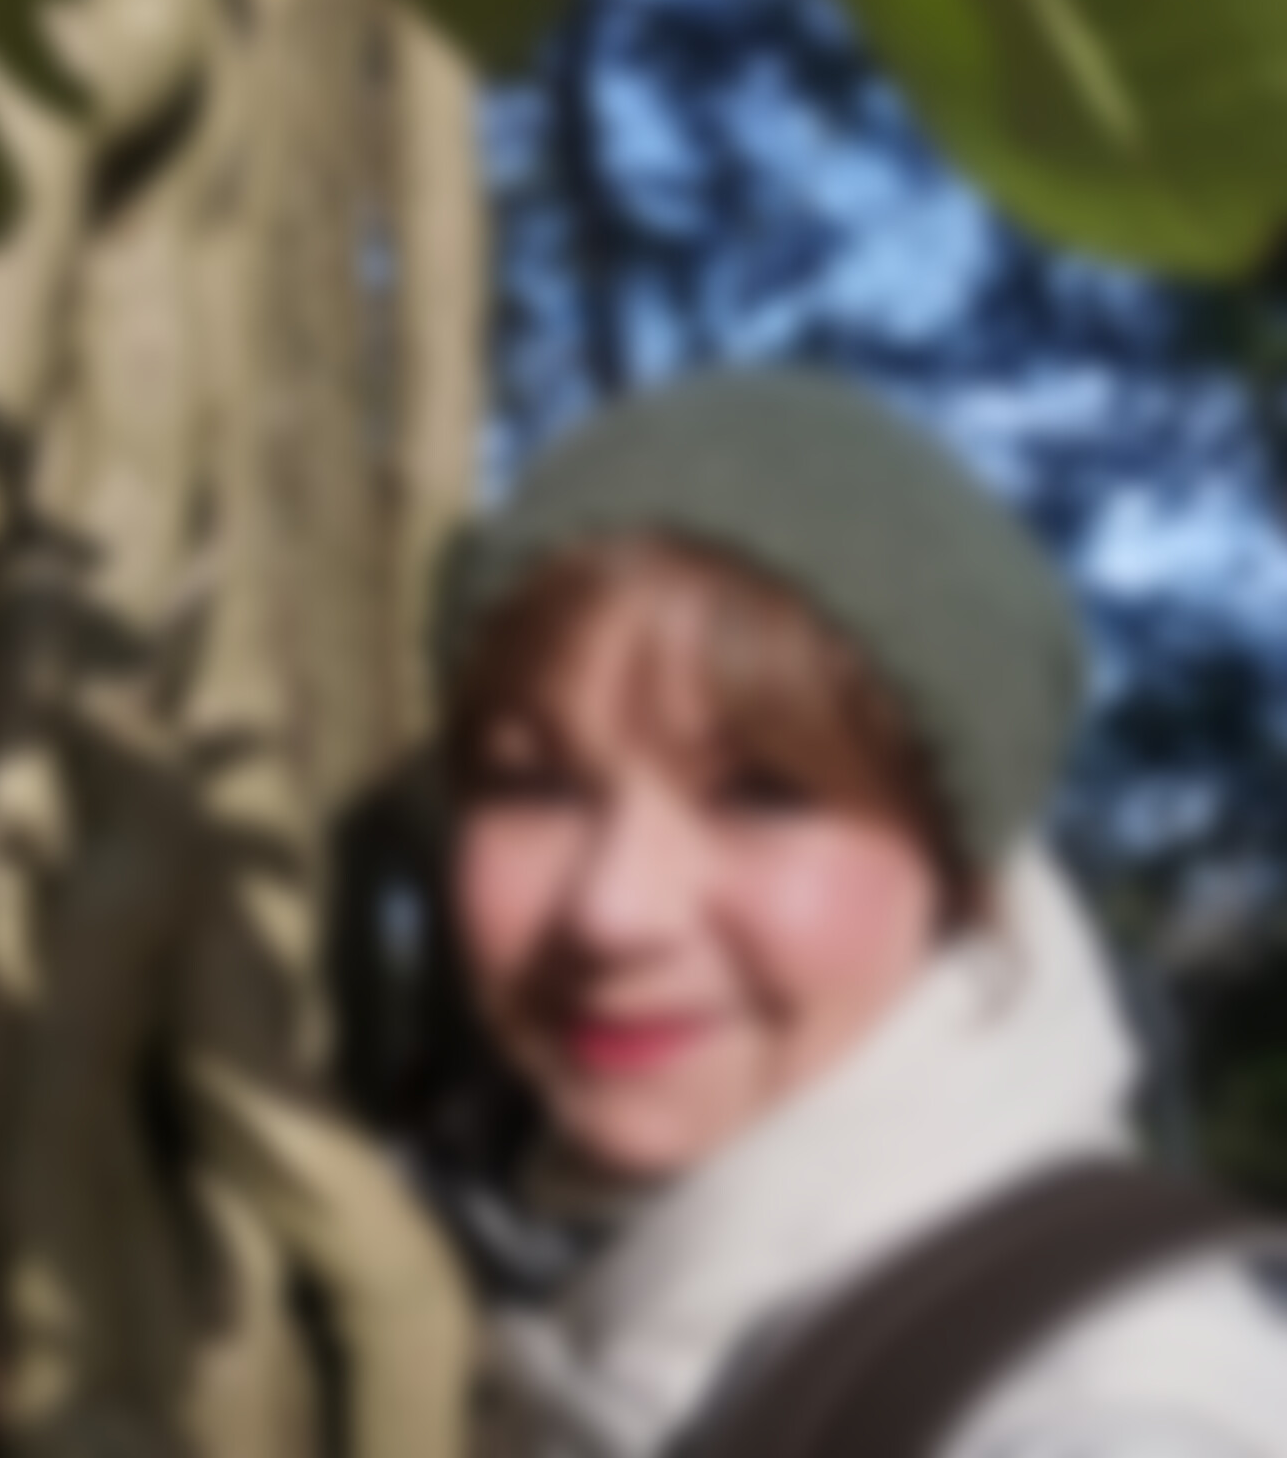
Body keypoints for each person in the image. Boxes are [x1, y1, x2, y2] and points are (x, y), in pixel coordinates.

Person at [422, 370, 1287, 1458]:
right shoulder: (585, 1269)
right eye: (533, 786)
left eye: (761, 793)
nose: (610, 911)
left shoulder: (1115, 1396)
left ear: (959, 868)